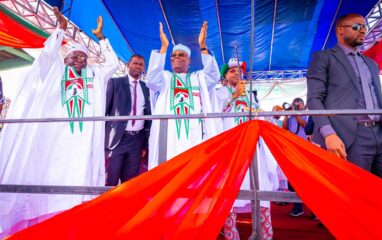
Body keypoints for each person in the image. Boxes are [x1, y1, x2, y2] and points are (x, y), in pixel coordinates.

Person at [0, 7, 119, 236]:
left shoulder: (95, 76)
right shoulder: (55, 71)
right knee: (47, 185)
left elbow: (112, 64)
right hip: (50, 143)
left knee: (77, 188)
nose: (79, 59)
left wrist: (102, 38)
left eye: (83, 57)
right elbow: (46, 55)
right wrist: (61, 30)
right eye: (74, 56)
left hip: (82, 147)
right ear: (66, 58)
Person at [307, 13, 382, 187]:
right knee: (357, 193)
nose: (363, 30)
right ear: (340, 31)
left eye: (364, 27)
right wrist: (329, 134)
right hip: (349, 136)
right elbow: (313, 99)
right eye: (357, 26)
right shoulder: (323, 58)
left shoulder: (371, 64)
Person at [216, 58, 278, 240]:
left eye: (239, 71)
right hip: (231, 150)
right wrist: (234, 95)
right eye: (232, 71)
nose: (236, 73)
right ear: (225, 76)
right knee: (230, 192)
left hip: (253, 148)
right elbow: (215, 112)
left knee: (260, 188)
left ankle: (264, 234)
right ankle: (230, 234)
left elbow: (259, 116)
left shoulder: (251, 95)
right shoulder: (219, 92)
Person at [146, 22, 220, 169]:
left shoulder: (197, 78)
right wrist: (163, 48)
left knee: (192, 170)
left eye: (181, 55)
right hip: (168, 134)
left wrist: (203, 46)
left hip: (193, 133)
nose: (176, 57)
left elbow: (213, 75)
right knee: (167, 168)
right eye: (173, 55)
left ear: (189, 60)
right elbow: (151, 79)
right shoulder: (165, 78)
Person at [104, 54, 151, 186]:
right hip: (116, 139)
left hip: (137, 140)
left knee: (130, 181)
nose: (138, 66)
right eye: (135, 63)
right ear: (128, 65)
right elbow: (105, 110)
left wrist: (145, 145)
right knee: (110, 179)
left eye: (141, 64)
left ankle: (127, 206)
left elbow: (148, 116)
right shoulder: (114, 82)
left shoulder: (146, 88)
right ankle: (107, 206)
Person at [282, 97, 308, 217]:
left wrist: (296, 113)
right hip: (292, 149)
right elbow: (284, 128)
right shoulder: (291, 115)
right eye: (295, 105)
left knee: (306, 179)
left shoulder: (306, 114)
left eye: (299, 105)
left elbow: (305, 126)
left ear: (303, 105)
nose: (297, 106)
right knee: (292, 178)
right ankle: (297, 207)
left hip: (304, 150)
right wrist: (287, 114)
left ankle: (313, 208)